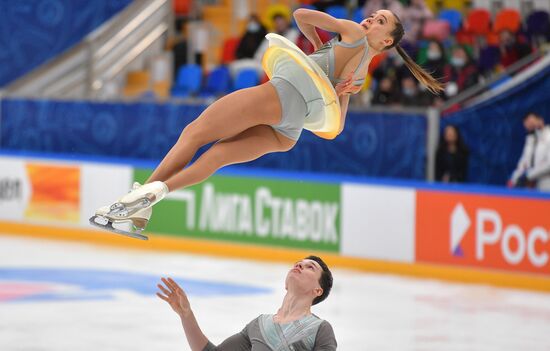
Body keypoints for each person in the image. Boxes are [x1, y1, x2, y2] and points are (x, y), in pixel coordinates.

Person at [90, 8, 443, 237]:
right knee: (214, 157)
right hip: (289, 132)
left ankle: (132, 201)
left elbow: (301, 15)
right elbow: (334, 128)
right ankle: (146, 206)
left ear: (385, 41)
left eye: (381, 22)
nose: (370, 19)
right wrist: (329, 71)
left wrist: (319, 45)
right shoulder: (362, 76)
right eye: (373, 14)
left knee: (194, 133)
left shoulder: (350, 32)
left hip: (282, 95)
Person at [156, 256, 336, 350]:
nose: (299, 266)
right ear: (285, 284)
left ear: (317, 290)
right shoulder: (259, 325)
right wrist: (186, 315)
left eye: (309, 267)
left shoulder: (320, 329)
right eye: (298, 263)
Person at [508, 112, 550, 191]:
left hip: (546, 185)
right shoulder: (530, 140)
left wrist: (529, 175)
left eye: (532, 122)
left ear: (541, 120)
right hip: (531, 187)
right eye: (527, 125)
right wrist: (514, 179)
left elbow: (549, 164)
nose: (531, 126)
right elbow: (523, 162)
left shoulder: (549, 136)